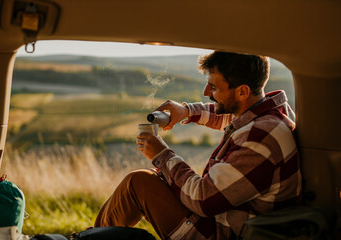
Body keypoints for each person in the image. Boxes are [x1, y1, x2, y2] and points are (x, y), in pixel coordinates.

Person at [94, 51, 302, 240]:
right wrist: (186, 112)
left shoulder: (260, 139)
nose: (206, 92)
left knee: (138, 183)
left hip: (222, 232)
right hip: (226, 218)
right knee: (147, 180)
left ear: (242, 92)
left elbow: (204, 200)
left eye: (214, 87)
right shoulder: (268, 114)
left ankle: (91, 237)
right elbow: (229, 117)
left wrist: (163, 155)